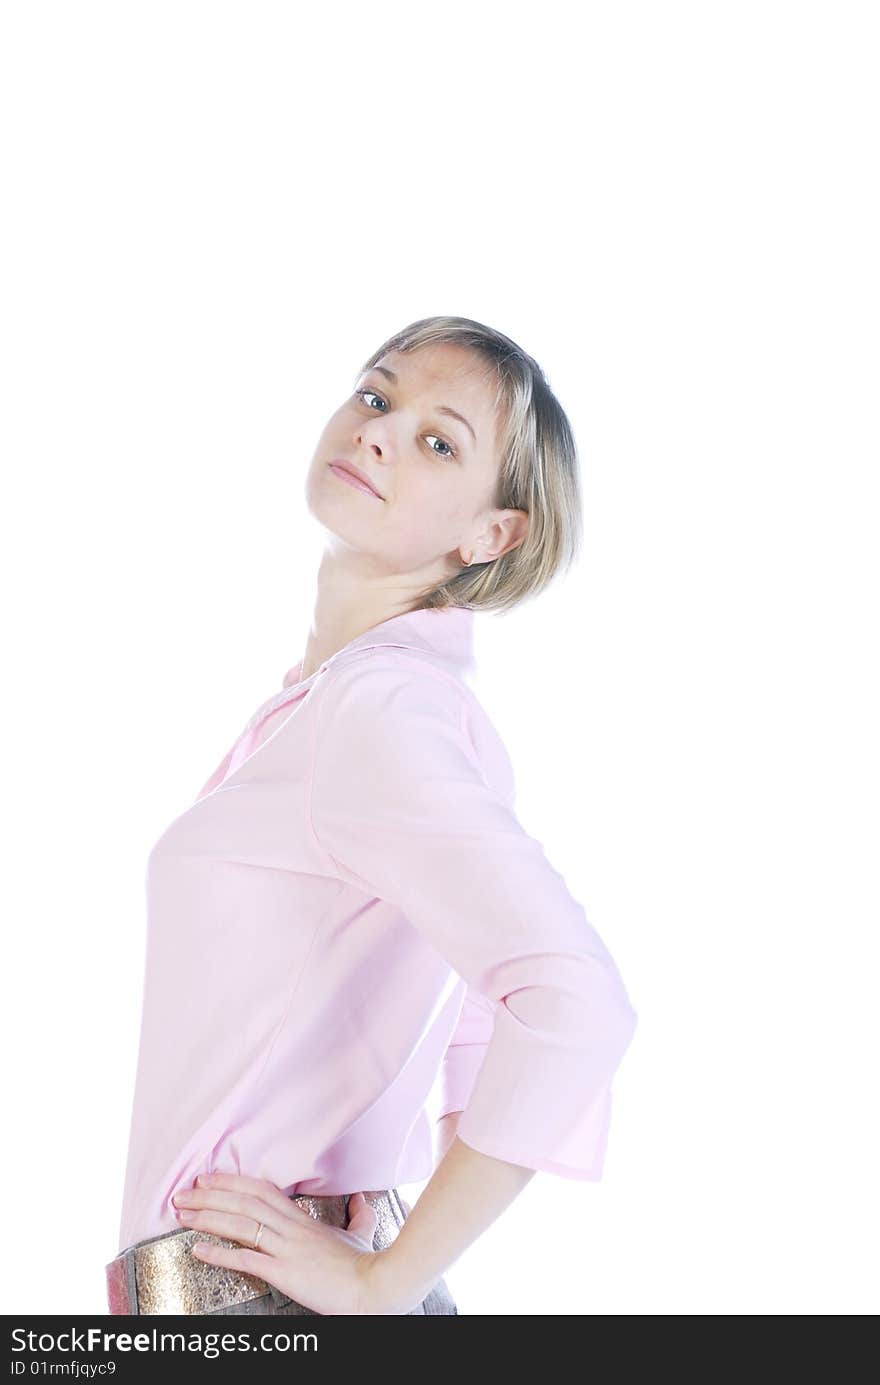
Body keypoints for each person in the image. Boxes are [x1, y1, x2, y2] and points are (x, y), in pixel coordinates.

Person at [106, 314, 639, 1316]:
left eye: (440, 440)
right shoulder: (362, 703)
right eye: (376, 394)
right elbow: (479, 1023)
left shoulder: (379, 710)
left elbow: (572, 1001)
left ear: (492, 533)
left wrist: (381, 1278)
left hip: (253, 1303)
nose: (380, 430)